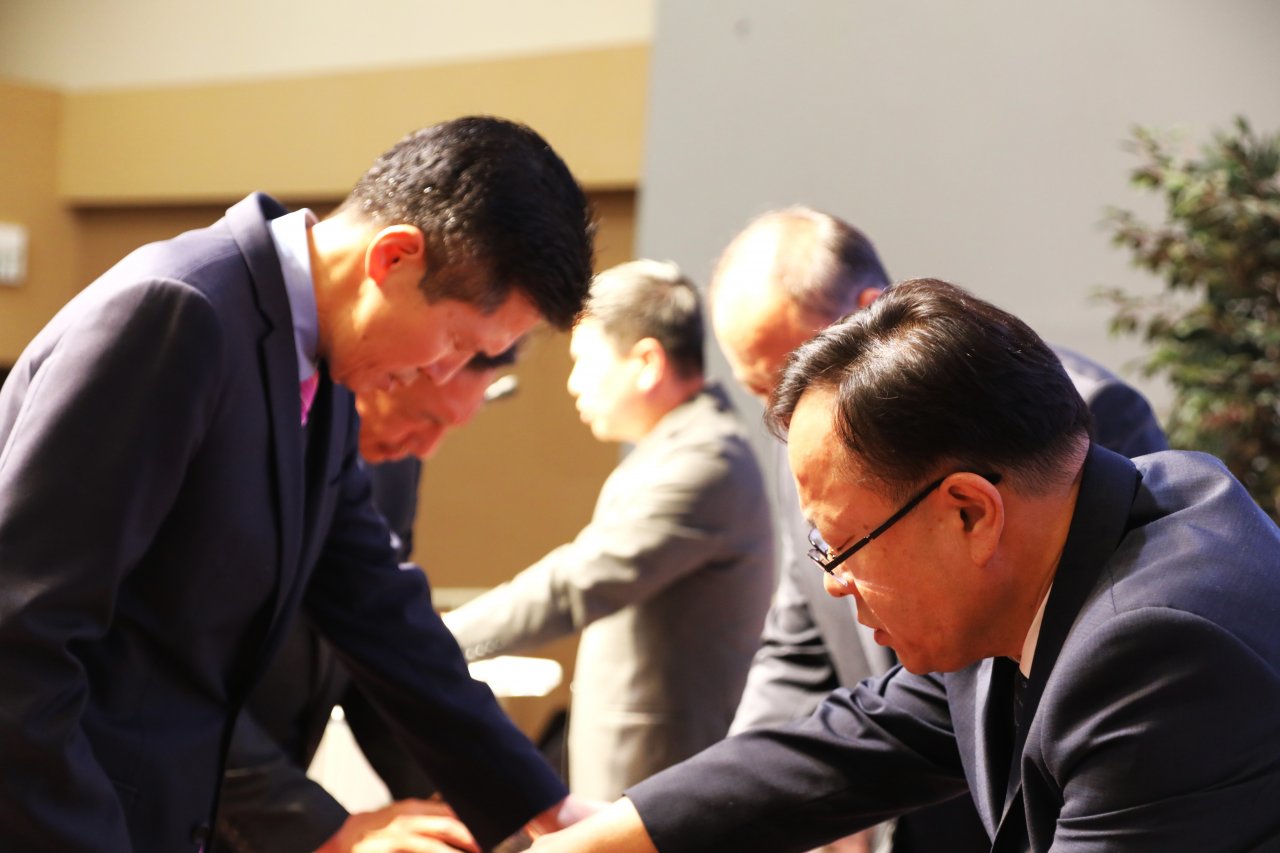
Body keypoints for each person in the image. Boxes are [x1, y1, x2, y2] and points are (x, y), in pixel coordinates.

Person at [0, 116, 596, 852]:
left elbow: (375, 602)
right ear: (394, 257)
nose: (443, 373)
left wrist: (546, 805)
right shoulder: (177, 310)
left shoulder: (318, 361)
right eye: (457, 342)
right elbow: (19, 628)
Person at [527, 277, 1280, 852]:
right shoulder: (1058, 550)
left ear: (969, 512)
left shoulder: (1156, 650)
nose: (832, 580)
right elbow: (868, 734)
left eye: (841, 544)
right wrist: (594, 841)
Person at [709, 207, 1169, 853]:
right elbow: (803, 650)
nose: (784, 414)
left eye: (795, 365)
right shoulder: (806, 450)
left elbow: (1043, 673)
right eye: (762, 389)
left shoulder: (1076, 425)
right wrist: (730, 817)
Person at [444, 259, 774, 801]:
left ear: (646, 363)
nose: (573, 384)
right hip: (640, 772)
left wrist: (440, 641)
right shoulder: (678, 447)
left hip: (662, 777)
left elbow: (576, 584)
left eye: (584, 361)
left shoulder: (706, 459)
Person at [217, 350, 520, 853]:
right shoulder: (239, 424)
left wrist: (469, 809)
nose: (427, 447)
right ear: (388, 369)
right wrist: (323, 829)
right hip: (152, 798)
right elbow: (160, 671)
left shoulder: (395, 465)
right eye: (424, 417)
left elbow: (375, 643)